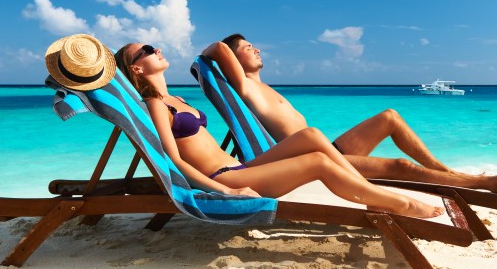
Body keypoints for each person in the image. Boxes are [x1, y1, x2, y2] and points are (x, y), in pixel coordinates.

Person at [112, 41, 443, 219]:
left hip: (240, 167)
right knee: (318, 162)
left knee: (312, 136)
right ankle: (396, 202)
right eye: (145, 51)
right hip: (225, 177)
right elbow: (173, 160)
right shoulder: (157, 104)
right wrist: (225, 192)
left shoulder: (177, 98)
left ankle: (372, 196)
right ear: (137, 68)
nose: (156, 49)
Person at [202, 35, 497, 193]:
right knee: (398, 166)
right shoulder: (245, 86)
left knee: (390, 116)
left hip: (329, 148)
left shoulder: (265, 85)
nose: (257, 49)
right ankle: (484, 184)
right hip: (313, 156)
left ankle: (446, 171)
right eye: (247, 47)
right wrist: (217, 55)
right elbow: (216, 47)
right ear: (233, 59)